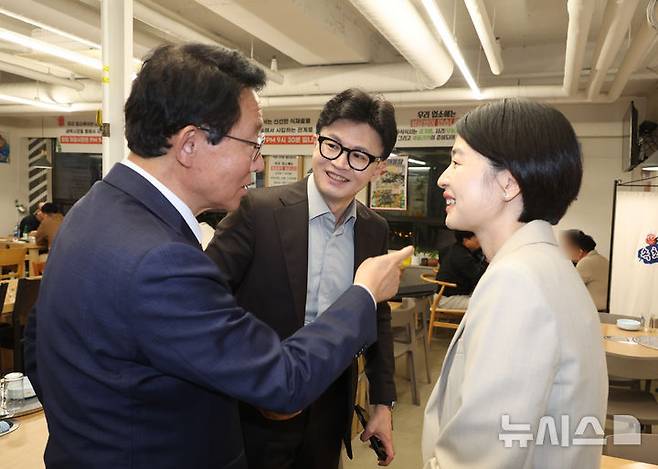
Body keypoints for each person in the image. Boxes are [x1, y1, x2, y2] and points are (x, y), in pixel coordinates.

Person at [23, 43, 412, 469]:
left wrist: (88, 429)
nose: (258, 163)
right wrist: (363, 292)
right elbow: (280, 381)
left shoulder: (92, 210)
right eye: (251, 143)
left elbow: (37, 341)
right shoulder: (163, 259)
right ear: (190, 144)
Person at [206, 88, 398, 469]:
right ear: (316, 140)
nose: (340, 163)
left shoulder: (375, 230)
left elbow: (375, 315)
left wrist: (382, 402)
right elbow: (204, 297)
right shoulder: (258, 211)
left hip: (329, 406)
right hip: (253, 406)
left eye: (359, 156)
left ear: (379, 168)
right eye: (332, 145)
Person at [422, 98, 608, 468]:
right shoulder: (546, 267)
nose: (443, 177)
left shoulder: (517, 281)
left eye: (457, 161)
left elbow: (481, 458)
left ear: (508, 183)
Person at [435, 230, 487, 309]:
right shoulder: (462, 256)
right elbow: (478, 277)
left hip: (444, 296)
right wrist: (487, 261)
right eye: (476, 237)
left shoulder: (454, 249)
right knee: (486, 306)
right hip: (448, 299)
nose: (479, 239)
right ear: (466, 240)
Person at [561, 229, 610, 311]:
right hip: (605, 310)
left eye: (568, 249)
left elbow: (570, 288)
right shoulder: (602, 259)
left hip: (596, 312)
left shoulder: (586, 262)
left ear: (580, 251)